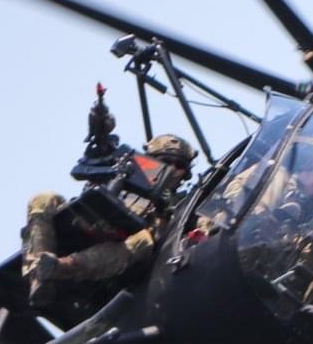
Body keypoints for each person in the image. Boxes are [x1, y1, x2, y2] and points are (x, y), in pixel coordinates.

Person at [22, 131, 195, 307]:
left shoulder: (181, 203)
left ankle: (62, 267)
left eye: (179, 165)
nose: (173, 169)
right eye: (166, 161)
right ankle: (38, 274)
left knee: (144, 241)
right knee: (43, 199)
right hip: (92, 221)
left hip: (127, 248)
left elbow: (168, 237)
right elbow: (83, 169)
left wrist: (163, 208)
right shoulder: (122, 171)